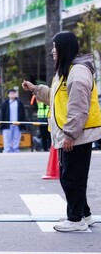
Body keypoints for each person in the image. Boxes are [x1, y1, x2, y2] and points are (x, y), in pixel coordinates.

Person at [22, 31, 100, 232]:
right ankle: (84, 215)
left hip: (77, 136)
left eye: (55, 47)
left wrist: (70, 134)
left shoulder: (79, 72)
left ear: (63, 48)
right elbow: (57, 100)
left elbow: (79, 107)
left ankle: (75, 220)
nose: (52, 51)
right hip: (71, 135)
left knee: (71, 178)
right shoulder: (67, 71)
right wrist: (35, 89)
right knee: (72, 176)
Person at [0, 88, 25, 153]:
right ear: (8, 95)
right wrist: (2, 123)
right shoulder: (5, 103)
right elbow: (2, 113)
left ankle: (15, 149)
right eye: (11, 93)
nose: (12, 94)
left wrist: (23, 123)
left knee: (16, 137)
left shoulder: (19, 103)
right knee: (7, 137)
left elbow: (23, 113)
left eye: (14, 93)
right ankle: (7, 150)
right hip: (8, 123)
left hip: (17, 123)